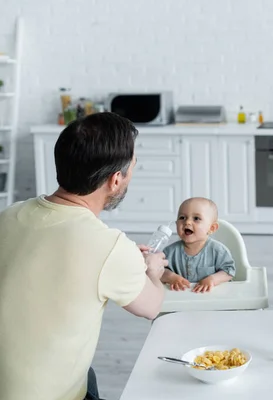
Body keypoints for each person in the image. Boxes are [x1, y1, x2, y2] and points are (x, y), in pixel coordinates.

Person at [0, 113, 168, 400]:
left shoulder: (9, 215)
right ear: (116, 180)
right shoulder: (110, 246)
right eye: (132, 169)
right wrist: (152, 270)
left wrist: (122, 260)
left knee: (86, 374)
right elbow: (152, 307)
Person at [160, 197, 236, 293]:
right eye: (182, 217)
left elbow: (229, 272)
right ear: (176, 224)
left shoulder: (218, 251)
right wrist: (170, 277)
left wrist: (212, 279)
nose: (187, 222)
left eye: (196, 218)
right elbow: (158, 270)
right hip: (181, 298)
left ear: (211, 228)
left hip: (210, 297)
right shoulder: (169, 252)